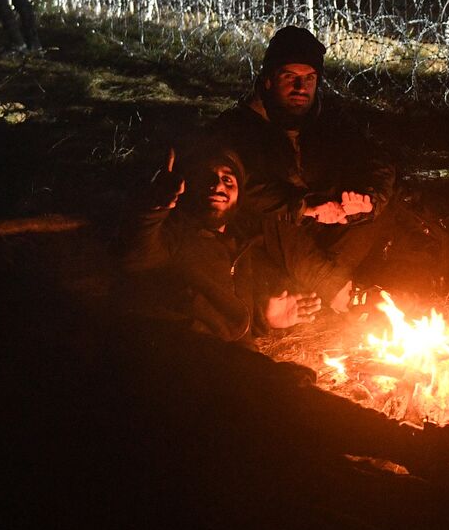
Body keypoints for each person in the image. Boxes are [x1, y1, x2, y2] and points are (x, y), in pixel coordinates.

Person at [212, 26, 396, 312]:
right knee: (277, 218)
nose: (301, 88)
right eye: (290, 77)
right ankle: (341, 295)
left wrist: (366, 200)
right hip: (271, 241)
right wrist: (305, 208)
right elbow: (241, 188)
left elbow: (376, 161)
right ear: (269, 80)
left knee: (380, 208)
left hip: (324, 238)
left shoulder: (332, 122)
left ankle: (322, 286)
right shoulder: (236, 128)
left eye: (309, 79)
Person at [120, 138, 321, 344]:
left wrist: (264, 316)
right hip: (191, 354)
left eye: (228, 180)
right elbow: (137, 254)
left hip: (233, 358)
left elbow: (234, 323)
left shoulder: (242, 243)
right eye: (206, 179)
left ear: (239, 195)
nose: (217, 185)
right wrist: (156, 206)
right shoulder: (173, 234)